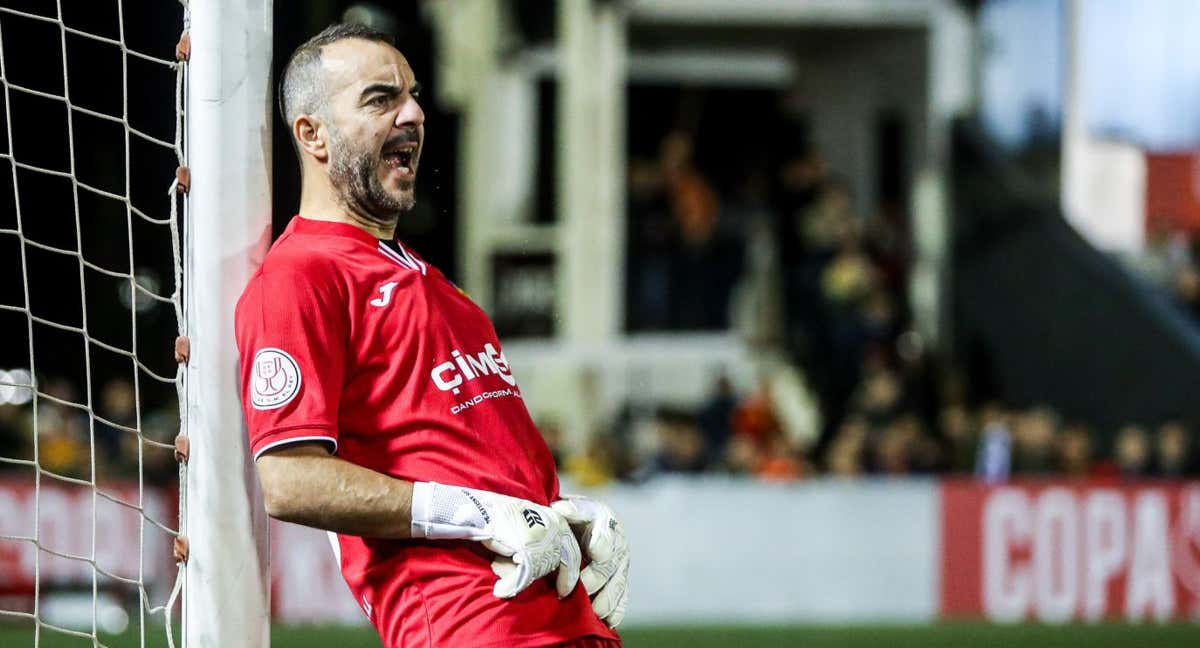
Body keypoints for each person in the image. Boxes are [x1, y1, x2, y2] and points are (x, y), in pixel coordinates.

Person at [234, 24, 627, 648]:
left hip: (564, 624)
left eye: (413, 95)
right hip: (470, 628)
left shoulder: (442, 291)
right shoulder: (301, 277)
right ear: (312, 135)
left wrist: (565, 517)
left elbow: (469, 464)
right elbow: (290, 480)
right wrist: (480, 514)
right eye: (380, 99)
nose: (413, 113)